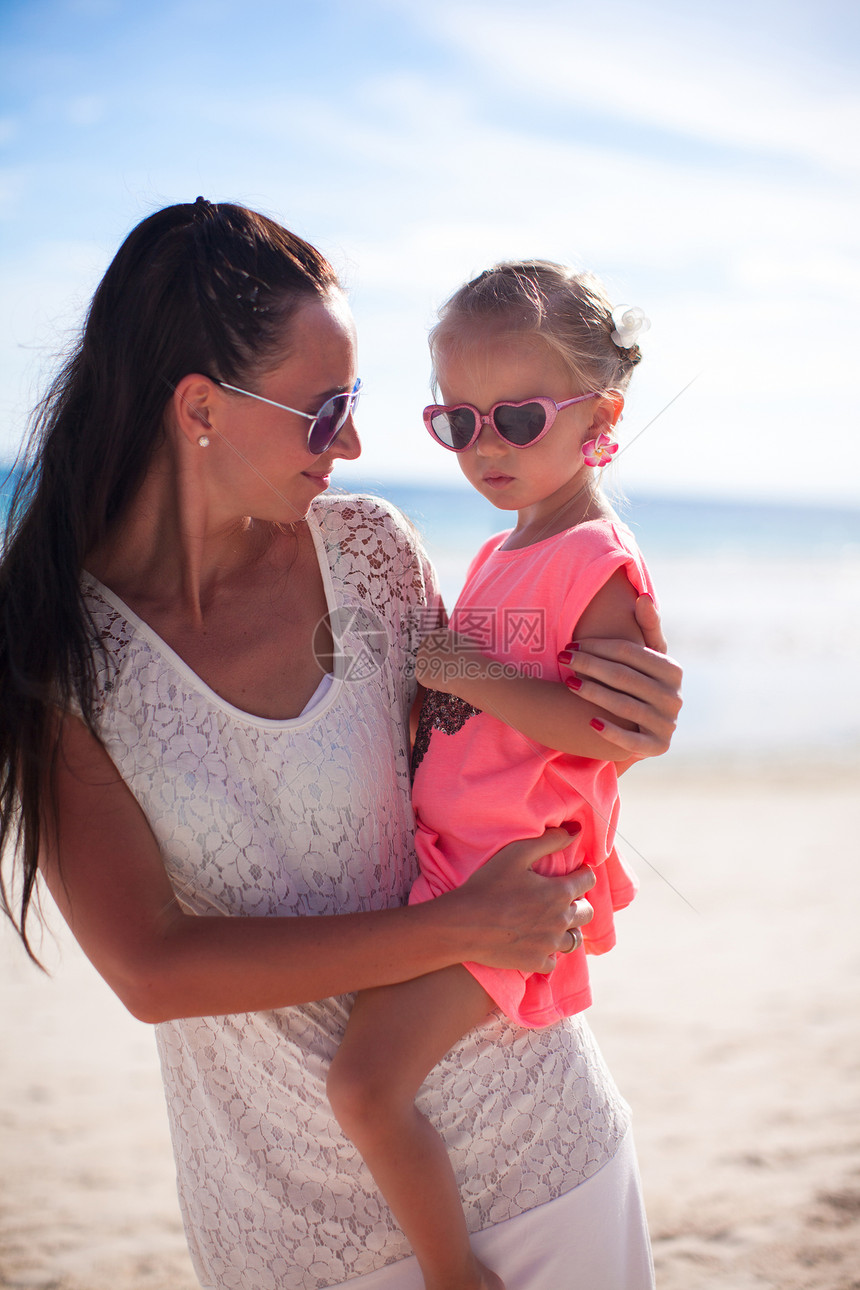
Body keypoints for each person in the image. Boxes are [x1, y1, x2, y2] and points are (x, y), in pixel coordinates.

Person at [0, 201, 682, 1290]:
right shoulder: (59, 649)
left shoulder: (367, 552)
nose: (355, 445)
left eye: (356, 407)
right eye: (325, 412)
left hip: (539, 1150)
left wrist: (628, 726)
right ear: (199, 408)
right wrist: (463, 925)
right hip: (286, 1223)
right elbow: (151, 969)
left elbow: (483, 753)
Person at [327, 261, 660, 1290]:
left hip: (508, 884)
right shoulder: (504, 549)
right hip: (449, 865)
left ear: (597, 415)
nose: (485, 449)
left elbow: (609, 729)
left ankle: (449, 1273)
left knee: (364, 1086)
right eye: (456, 424)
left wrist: (461, 668)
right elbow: (476, 710)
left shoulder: (593, 558)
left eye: (516, 419)